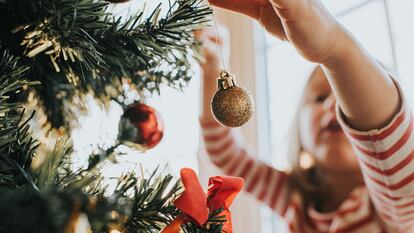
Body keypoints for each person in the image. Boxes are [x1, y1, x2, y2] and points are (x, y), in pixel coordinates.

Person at [197, 0, 414, 232]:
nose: (333, 104)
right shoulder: (294, 198)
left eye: (348, 101)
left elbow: (392, 151)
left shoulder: (392, 207)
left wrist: (334, 49)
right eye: (319, 98)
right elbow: (225, 153)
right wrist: (213, 69)